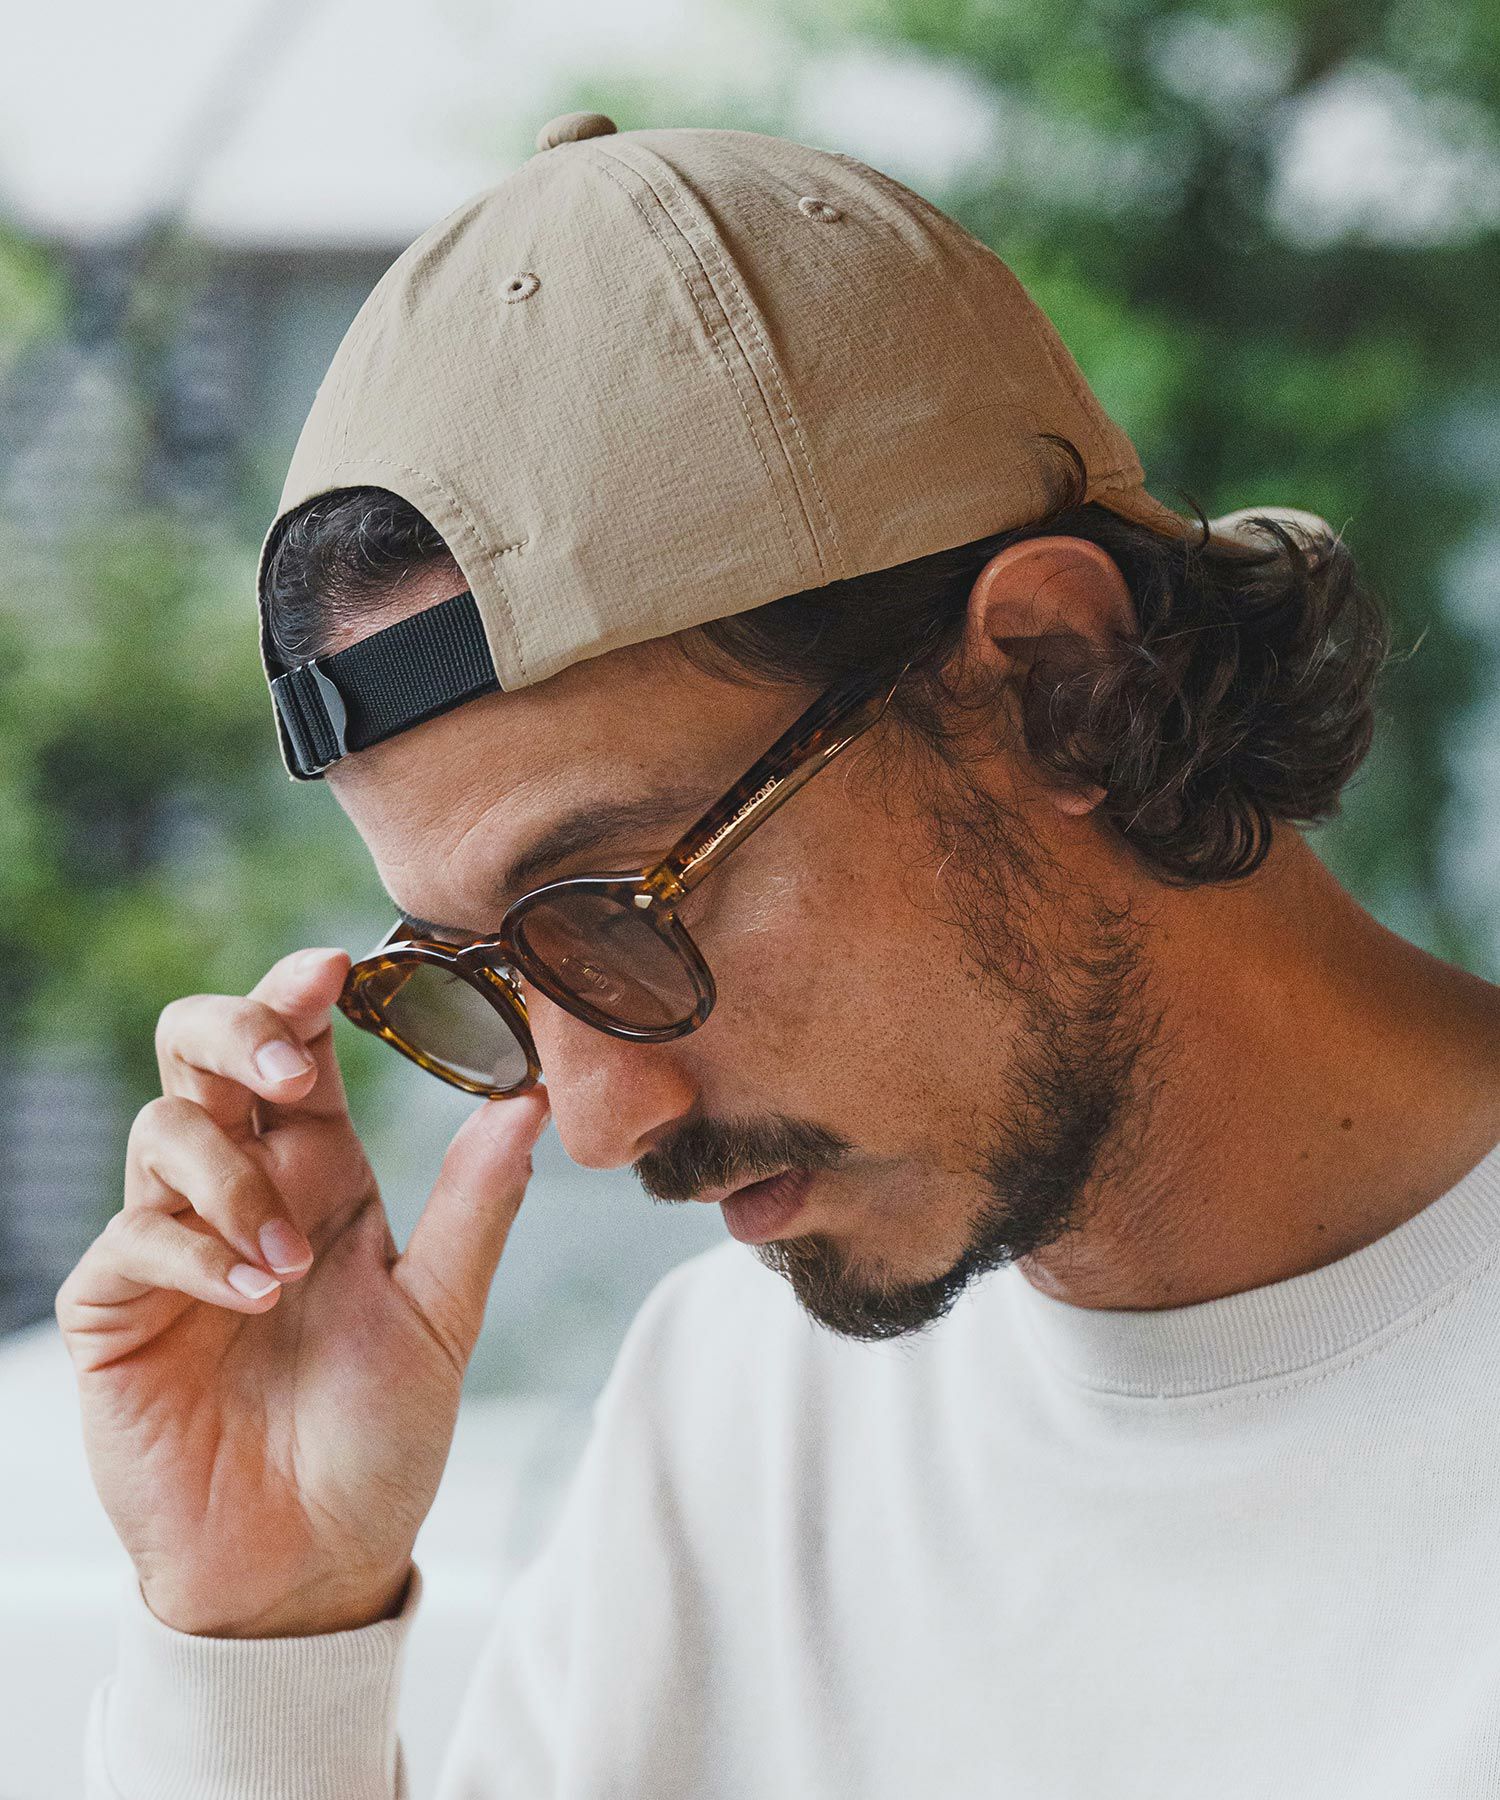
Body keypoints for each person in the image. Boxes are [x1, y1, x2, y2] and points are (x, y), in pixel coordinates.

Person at [58, 112, 1500, 1799]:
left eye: (621, 904)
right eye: (491, 975)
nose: (602, 1125)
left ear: (1057, 678)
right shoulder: (728, 1417)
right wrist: (264, 1646)